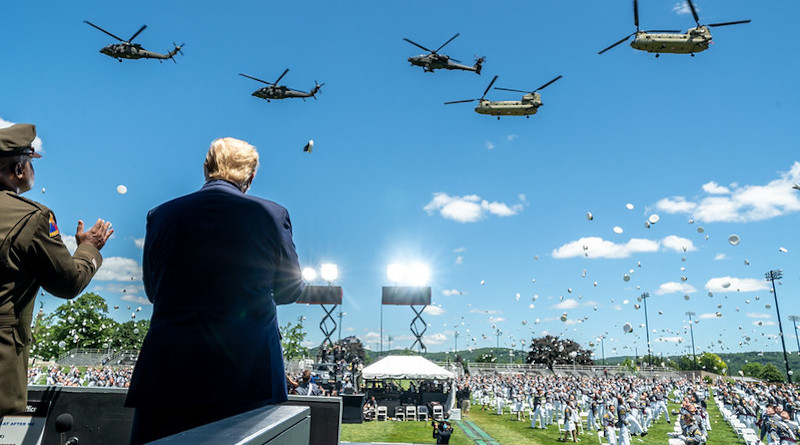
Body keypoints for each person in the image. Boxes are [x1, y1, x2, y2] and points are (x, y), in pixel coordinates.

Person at [125, 137, 304, 444]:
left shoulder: (161, 215)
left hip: (169, 370)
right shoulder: (271, 214)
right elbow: (289, 291)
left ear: (206, 168)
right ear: (250, 175)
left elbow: (154, 290)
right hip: (247, 374)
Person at [0, 123, 112, 415]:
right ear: (19, 169)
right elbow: (68, 283)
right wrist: (88, 249)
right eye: (30, 161)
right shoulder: (32, 218)